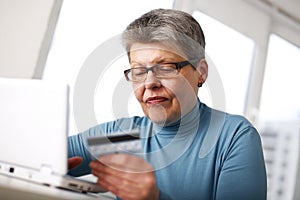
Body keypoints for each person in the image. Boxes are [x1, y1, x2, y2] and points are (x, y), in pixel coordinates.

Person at [68, 8, 267, 200]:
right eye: (138, 72)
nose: (149, 83)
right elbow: (51, 152)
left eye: (165, 68)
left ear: (201, 72)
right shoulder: (123, 136)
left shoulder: (233, 137)